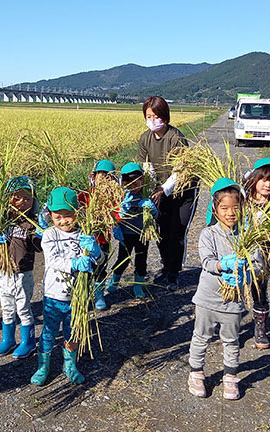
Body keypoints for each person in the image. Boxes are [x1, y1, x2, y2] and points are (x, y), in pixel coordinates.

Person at [31, 187, 104, 386]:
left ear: (77, 213)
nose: (63, 221)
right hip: (54, 295)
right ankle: (43, 366)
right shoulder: (49, 235)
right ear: (50, 216)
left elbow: (99, 260)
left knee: (73, 332)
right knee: (49, 331)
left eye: (68, 216)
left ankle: (69, 365)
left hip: (78, 298)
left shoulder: (84, 233)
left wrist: (95, 250)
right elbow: (53, 261)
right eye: (58, 217)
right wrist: (74, 263)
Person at [188, 178, 249, 401]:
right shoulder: (209, 234)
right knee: (201, 337)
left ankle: (230, 377)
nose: (230, 213)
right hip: (206, 299)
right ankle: (196, 372)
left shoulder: (247, 237)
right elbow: (207, 262)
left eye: (235, 207)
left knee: (231, 340)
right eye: (224, 208)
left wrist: (247, 272)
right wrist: (223, 265)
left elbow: (258, 264)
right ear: (215, 209)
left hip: (234, 301)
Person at [137, 96, 198, 290]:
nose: (153, 120)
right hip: (159, 191)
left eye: (157, 116)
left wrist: (163, 189)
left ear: (165, 116)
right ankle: (166, 267)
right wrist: (149, 188)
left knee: (177, 231)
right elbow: (146, 167)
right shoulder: (145, 138)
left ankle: (174, 274)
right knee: (161, 231)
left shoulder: (175, 137)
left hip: (183, 190)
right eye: (149, 116)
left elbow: (180, 171)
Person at [0, 176, 42, 359]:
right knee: (6, 307)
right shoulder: (2, 219)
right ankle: (8, 339)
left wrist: (41, 235)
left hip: (22, 273)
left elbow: (39, 248)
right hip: (3, 272)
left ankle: (28, 342)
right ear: (9, 199)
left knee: (23, 308)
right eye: (17, 198)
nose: (22, 202)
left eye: (28, 199)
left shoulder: (32, 222)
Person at [241, 158, 270, 350]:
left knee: (259, 290)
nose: (268, 184)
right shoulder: (242, 200)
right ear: (254, 179)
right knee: (235, 289)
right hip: (241, 252)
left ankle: (260, 326)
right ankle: (230, 326)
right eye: (263, 179)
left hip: (262, 257)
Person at [105, 162, 158, 299]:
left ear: (142, 180)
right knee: (123, 259)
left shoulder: (147, 194)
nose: (134, 187)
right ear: (123, 182)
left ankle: (138, 286)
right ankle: (114, 281)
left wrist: (152, 209)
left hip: (142, 234)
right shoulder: (121, 197)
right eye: (130, 183)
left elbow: (155, 216)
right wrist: (121, 212)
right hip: (126, 234)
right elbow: (115, 217)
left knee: (141, 259)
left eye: (137, 183)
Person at [76, 159, 120, 310]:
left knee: (100, 268)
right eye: (102, 175)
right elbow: (75, 208)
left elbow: (117, 214)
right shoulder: (85, 194)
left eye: (110, 177)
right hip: (84, 240)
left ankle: (99, 295)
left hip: (102, 240)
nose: (105, 179)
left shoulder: (112, 196)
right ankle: (84, 296)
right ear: (93, 177)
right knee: (85, 269)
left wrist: (117, 223)